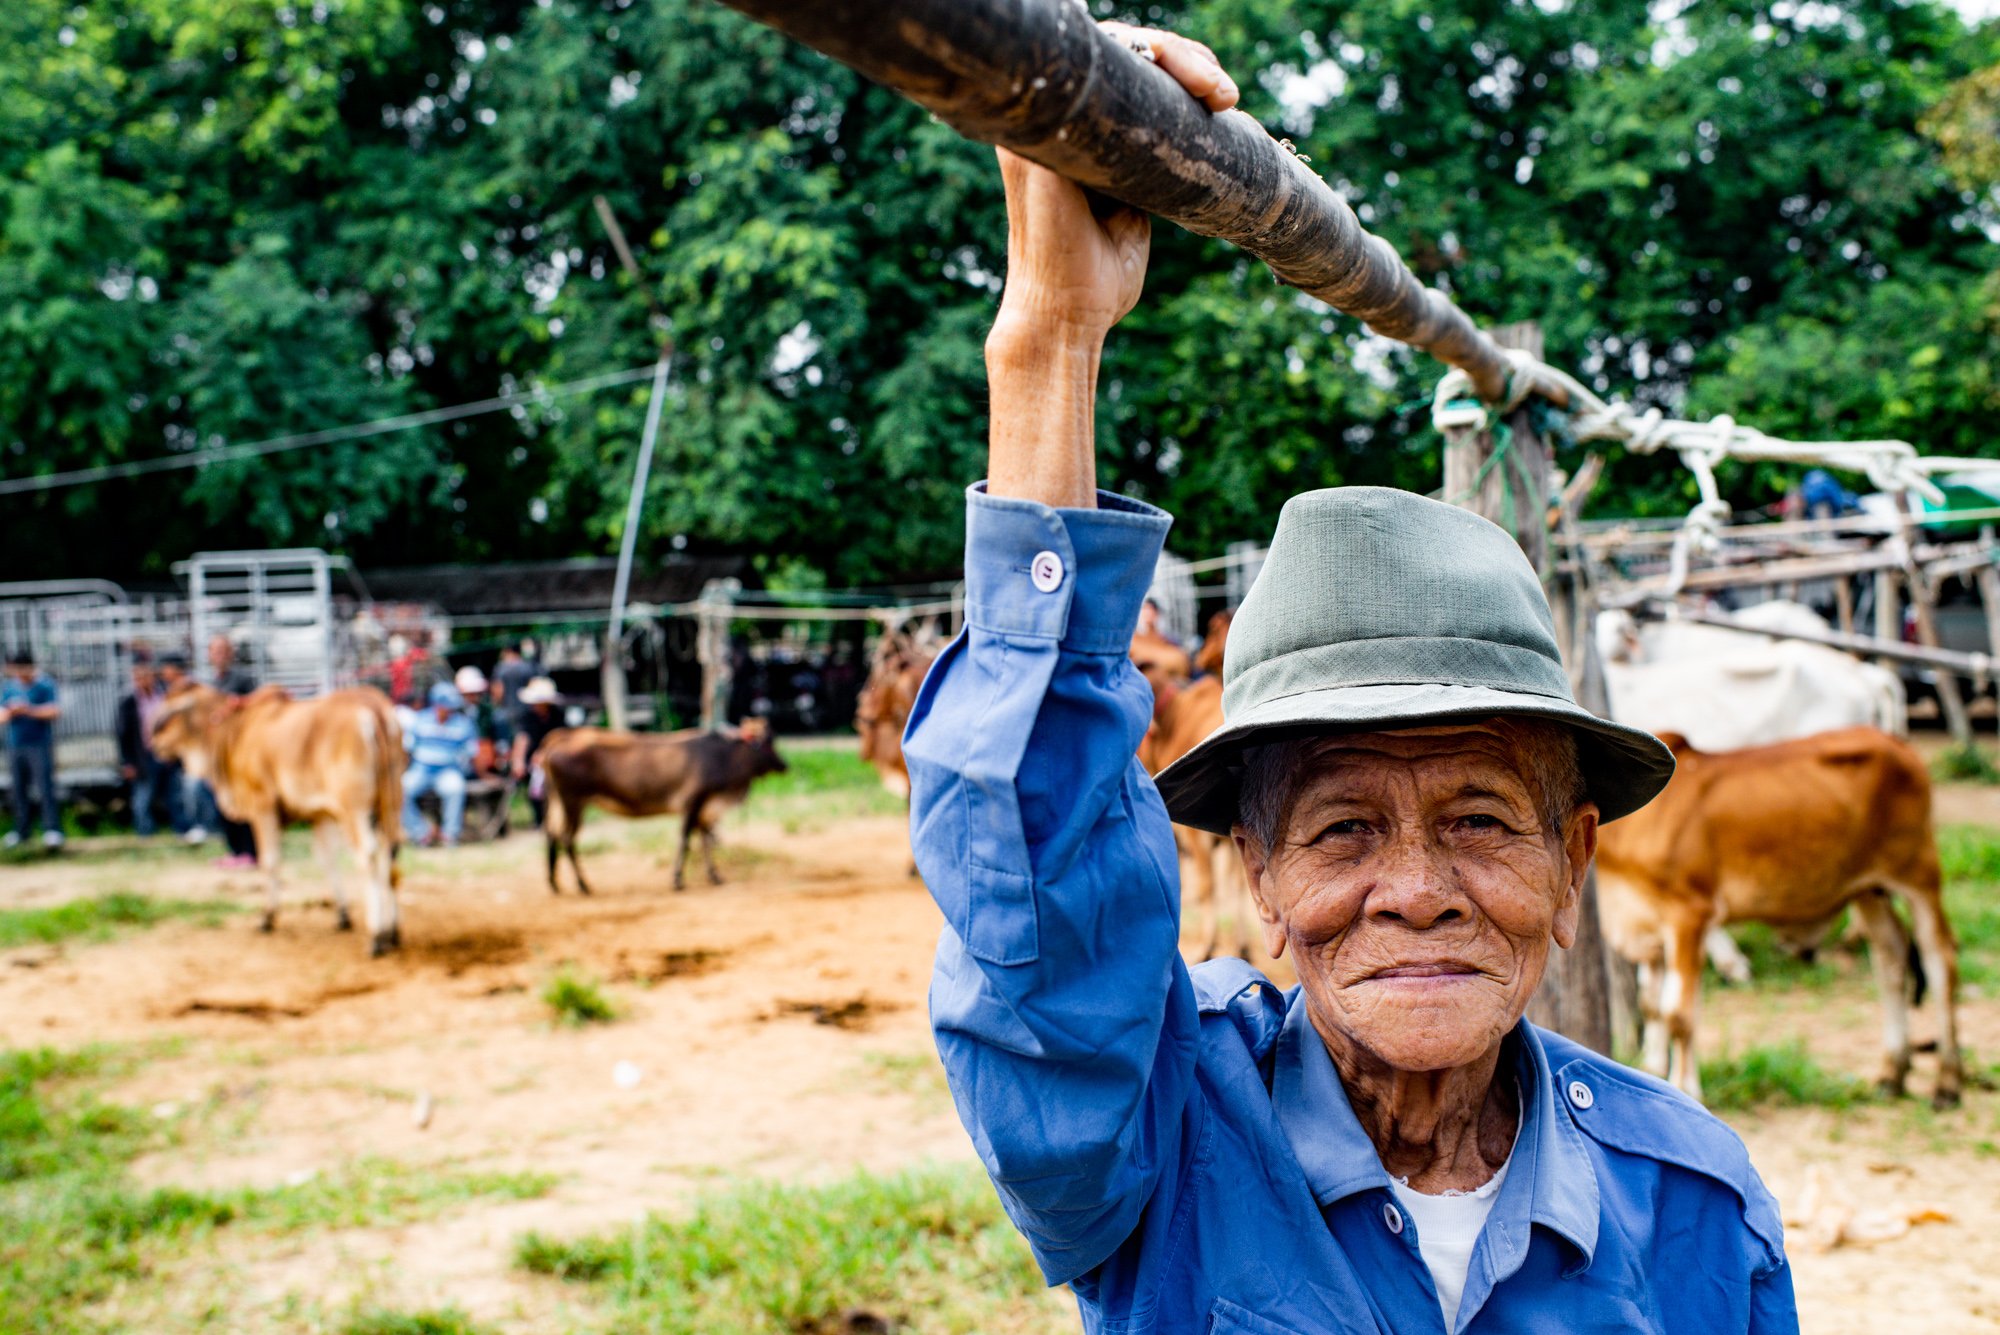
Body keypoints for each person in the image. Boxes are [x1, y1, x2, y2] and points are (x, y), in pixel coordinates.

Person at [901, 26, 1795, 1335]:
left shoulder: (1699, 1207)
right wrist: (1051, 340)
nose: (1418, 890)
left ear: (1575, 863)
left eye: (1484, 817)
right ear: (1260, 879)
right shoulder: (1161, 1132)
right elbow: (1034, 891)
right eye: (1339, 828)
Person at [199, 635, 259, 867]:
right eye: (216, 651)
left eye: (224, 650)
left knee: (244, 804)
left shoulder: (244, 680)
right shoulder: (211, 684)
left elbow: (256, 706)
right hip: (220, 756)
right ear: (210, 655)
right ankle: (235, 853)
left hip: (240, 753)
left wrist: (238, 704)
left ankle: (251, 852)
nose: (220, 655)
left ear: (231, 653)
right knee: (225, 805)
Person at [116, 651, 184, 837]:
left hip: (166, 753)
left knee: (174, 796)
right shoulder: (128, 702)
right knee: (142, 799)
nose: (141, 680)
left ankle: (182, 830)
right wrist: (127, 762)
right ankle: (145, 833)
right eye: (137, 676)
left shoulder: (164, 695)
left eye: (144, 675)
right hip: (143, 756)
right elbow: (123, 735)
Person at [2, 649, 63, 851]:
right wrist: (11, 711)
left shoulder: (44, 684)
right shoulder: (9, 687)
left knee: (45, 788)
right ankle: (22, 832)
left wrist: (28, 709)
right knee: (18, 790)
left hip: (39, 744)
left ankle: (52, 831)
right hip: (15, 744)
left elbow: (55, 711)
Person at [402, 681, 476, 846]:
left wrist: (464, 767)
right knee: (400, 790)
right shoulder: (420, 721)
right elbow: (408, 748)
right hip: (421, 770)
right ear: (436, 704)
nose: (448, 710)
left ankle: (449, 835)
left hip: (448, 770)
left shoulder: (463, 724)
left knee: (456, 789)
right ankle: (421, 832)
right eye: (445, 706)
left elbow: (470, 752)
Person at [510, 677, 564, 828]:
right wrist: (518, 761)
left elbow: (561, 737)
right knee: (535, 788)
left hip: (555, 756)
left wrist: (545, 754)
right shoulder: (527, 717)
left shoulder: (557, 715)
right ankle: (540, 820)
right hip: (532, 761)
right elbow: (522, 738)